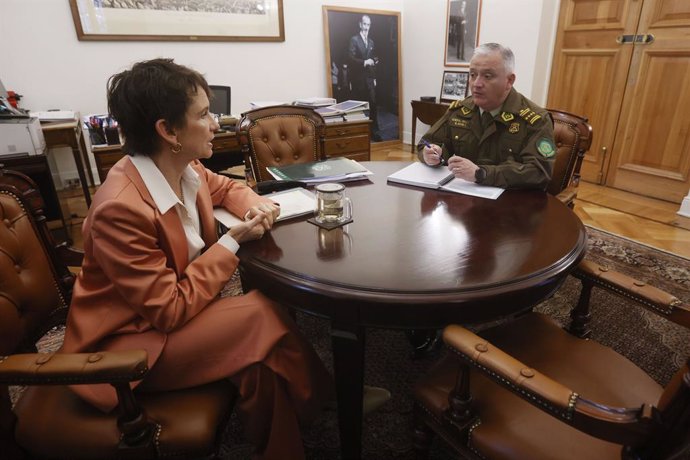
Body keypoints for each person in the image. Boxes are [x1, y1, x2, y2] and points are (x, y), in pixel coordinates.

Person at [60, 58, 333, 460]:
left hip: (169, 313)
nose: (216, 123)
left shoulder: (182, 166)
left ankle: (286, 441)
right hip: (129, 345)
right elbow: (168, 309)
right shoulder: (121, 209)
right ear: (167, 130)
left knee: (258, 359)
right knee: (259, 313)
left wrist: (255, 207)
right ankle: (324, 402)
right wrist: (230, 244)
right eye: (204, 114)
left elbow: (226, 189)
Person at [418, 43, 556, 190]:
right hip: (463, 200)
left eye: (487, 76)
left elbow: (539, 172)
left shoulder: (535, 119)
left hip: (511, 205)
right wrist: (432, 155)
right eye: (472, 75)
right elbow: (426, 143)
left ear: (509, 81)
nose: (476, 84)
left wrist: (481, 174)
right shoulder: (460, 110)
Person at [348, 14, 380, 139]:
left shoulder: (371, 42)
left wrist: (374, 77)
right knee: (360, 107)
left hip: (370, 79)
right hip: (358, 80)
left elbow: (373, 59)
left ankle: (374, 133)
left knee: (373, 105)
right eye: (365, 24)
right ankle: (360, 134)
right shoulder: (354, 40)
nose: (367, 27)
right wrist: (364, 62)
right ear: (360, 24)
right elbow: (350, 58)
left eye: (369, 25)